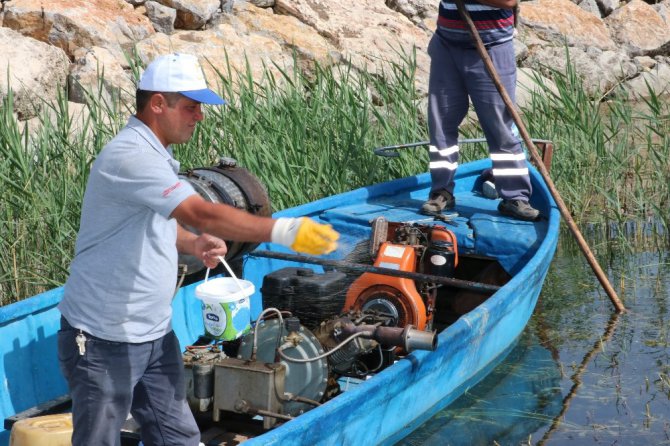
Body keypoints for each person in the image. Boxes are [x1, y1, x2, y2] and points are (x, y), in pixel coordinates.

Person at [57, 53, 339, 446]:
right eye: (191, 107)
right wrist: (282, 230)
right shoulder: (131, 157)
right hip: (105, 338)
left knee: (178, 436)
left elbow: (157, 221)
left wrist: (191, 242)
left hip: (152, 333)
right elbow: (199, 212)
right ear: (158, 104)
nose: (200, 116)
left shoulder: (155, 155)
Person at [420, 0, 540, 221]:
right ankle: (441, 191)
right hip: (447, 44)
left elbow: (508, 1)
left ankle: (515, 197)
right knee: (441, 124)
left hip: (491, 46)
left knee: (500, 127)